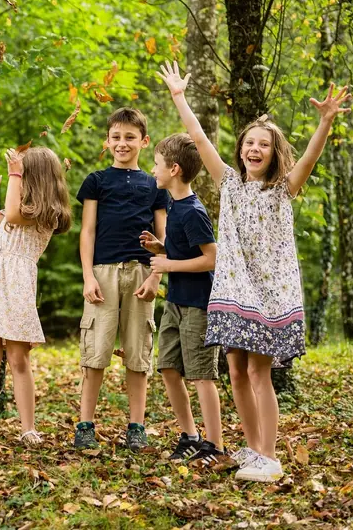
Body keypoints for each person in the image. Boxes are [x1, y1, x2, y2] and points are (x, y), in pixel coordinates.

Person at [158, 60, 352, 482]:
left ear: (274, 153)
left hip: (269, 294)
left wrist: (325, 122)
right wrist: (179, 97)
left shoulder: (282, 189)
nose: (255, 149)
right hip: (233, 291)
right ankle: (252, 448)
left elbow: (310, 158)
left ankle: (269, 455)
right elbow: (199, 138)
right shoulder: (229, 183)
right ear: (241, 149)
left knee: (258, 372)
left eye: (264, 144)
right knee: (236, 371)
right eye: (250, 142)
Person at [74, 107, 168, 451]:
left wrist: (156, 276)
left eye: (130, 137)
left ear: (144, 141)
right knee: (95, 351)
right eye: (116, 137)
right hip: (103, 272)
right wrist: (88, 276)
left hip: (141, 273)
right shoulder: (96, 181)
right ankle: (85, 425)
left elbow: (163, 237)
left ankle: (137, 426)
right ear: (107, 141)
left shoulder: (155, 185)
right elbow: (87, 231)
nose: (122, 143)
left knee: (138, 353)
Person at [0, 147, 73, 449]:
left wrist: (13, 173)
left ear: (34, 176)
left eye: (22, 173)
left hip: (16, 285)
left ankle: (28, 429)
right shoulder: (13, 207)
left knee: (18, 357)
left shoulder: (47, 213)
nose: (17, 177)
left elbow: (15, 214)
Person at [142, 133, 226, 466]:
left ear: (174, 169)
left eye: (156, 164)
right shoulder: (174, 205)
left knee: (201, 375)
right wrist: (162, 248)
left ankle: (214, 445)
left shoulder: (193, 211)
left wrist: (168, 265)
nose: (153, 170)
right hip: (175, 303)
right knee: (167, 368)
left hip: (198, 306)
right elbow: (186, 250)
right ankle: (190, 436)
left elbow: (212, 258)